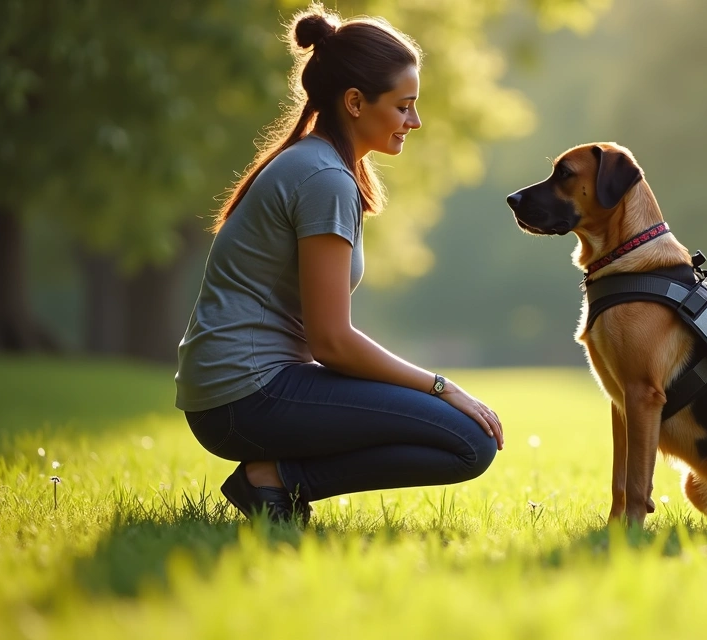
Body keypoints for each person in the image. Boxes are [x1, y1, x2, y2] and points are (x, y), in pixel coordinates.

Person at [175, 6, 503, 524]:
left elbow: (327, 342)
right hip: (243, 398)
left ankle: (275, 480)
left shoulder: (319, 164)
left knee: (463, 437)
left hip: (240, 393)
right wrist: (444, 386)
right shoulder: (323, 178)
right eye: (404, 106)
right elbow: (332, 342)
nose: (414, 121)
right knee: (468, 441)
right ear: (355, 102)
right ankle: (273, 479)